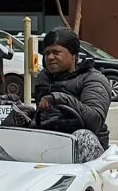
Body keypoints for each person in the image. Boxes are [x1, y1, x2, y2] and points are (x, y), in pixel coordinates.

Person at [34, 28, 112, 162]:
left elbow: (94, 121)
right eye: (47, 53)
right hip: (49, 143)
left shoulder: (93, 79)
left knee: (83, 137)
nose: (50, 57)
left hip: (87, 151)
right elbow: (40, 117)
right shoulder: (44, 78)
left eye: (56, 52)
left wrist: (59, 98)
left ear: (73, 54)